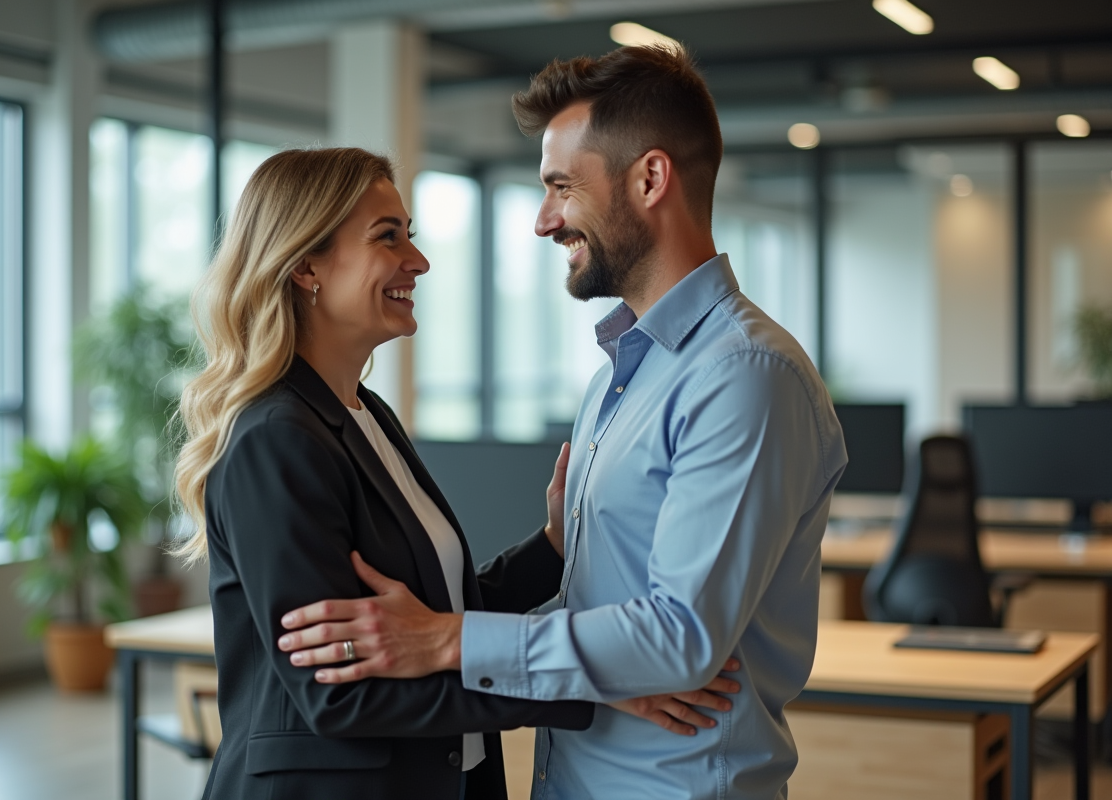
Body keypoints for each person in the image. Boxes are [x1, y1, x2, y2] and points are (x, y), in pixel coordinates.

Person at [275, 45, 848, 800]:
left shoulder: (744, 375)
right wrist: (558, 547)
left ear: (650, 179)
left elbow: (680, 637)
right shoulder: (619, 371)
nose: (544, 220)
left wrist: (447, 640)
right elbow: (608, 612)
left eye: (561, 187)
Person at [173, 147, 742, 800]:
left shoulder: (364, 415)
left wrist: (552, 549)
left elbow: (429, 622)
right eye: (389, 238)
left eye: (410, 236)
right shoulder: (276, 438)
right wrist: (586, 689)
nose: (418, 261)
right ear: (306, 264)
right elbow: (338, 694)